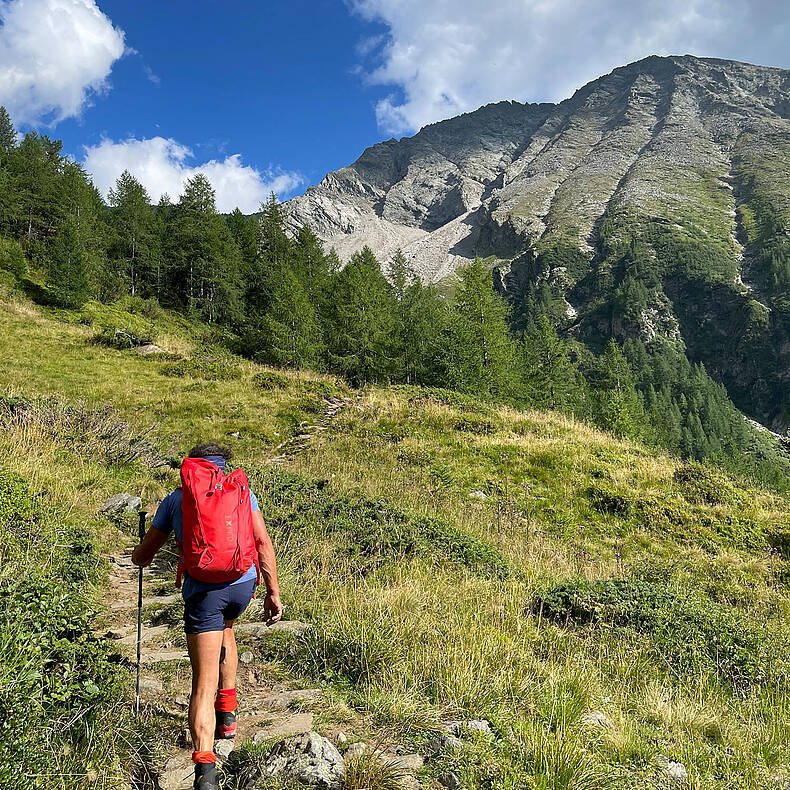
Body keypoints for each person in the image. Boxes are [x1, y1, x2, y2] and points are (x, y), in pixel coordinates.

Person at [132, 442, 282, 790]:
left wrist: (138, 555)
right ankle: (227, 717)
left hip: (204, 593)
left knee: (202, 681)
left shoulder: (175, 500)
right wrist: (273, 591)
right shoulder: (242, 493)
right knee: (226, 630)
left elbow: (146, 554)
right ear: (222, 466)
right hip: (243, 586)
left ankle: (205, 771)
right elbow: (262, 543)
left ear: (192, 468)